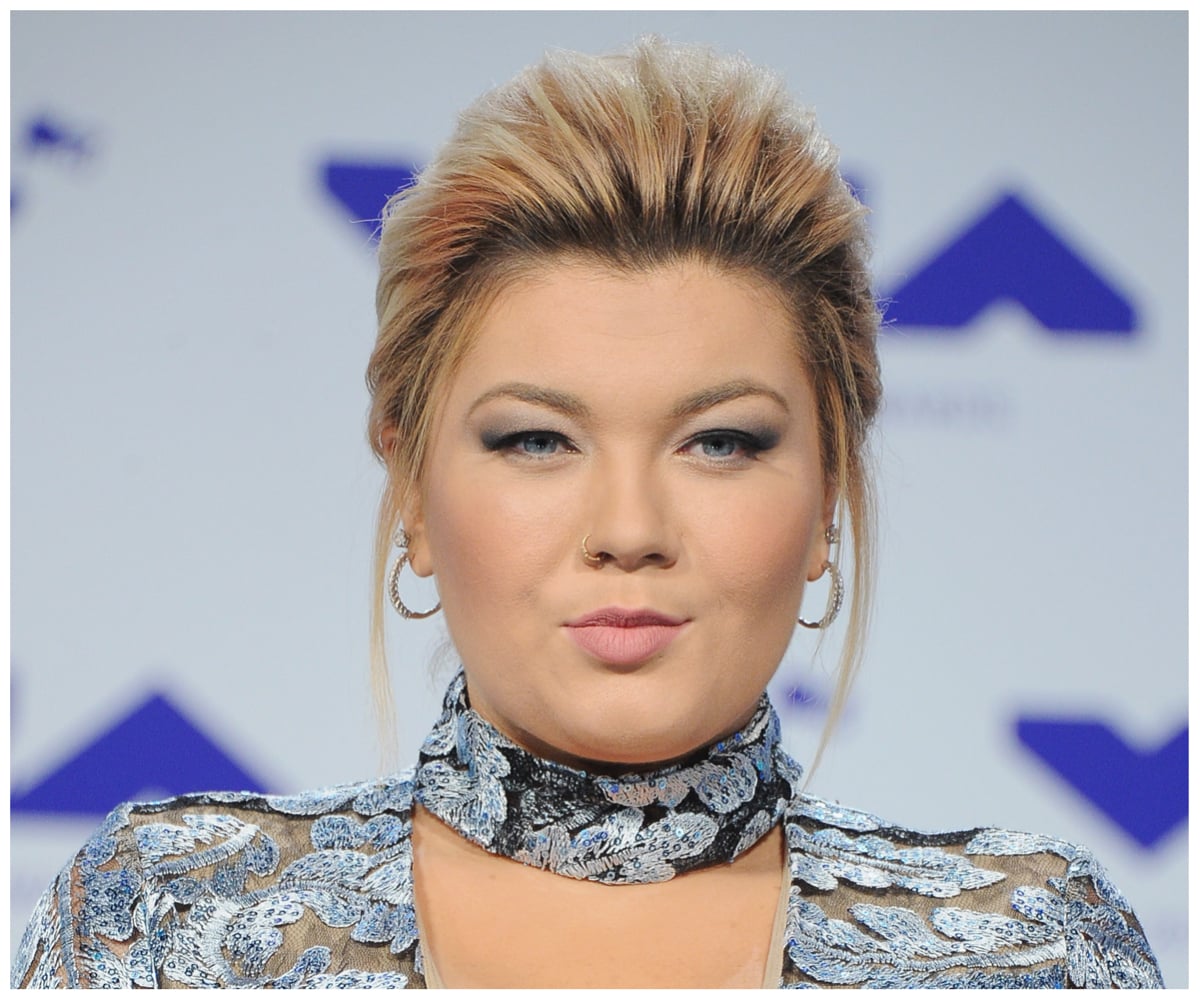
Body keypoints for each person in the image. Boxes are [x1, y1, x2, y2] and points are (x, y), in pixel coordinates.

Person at [12, 37, 1163, 990]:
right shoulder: (165, 916)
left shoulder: (1029, 947)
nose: (628, 526)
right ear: (411, 486)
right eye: (536, 439)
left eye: (722, 441)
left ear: (829, 500)